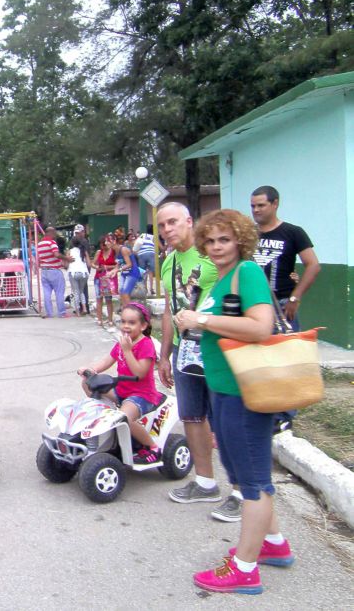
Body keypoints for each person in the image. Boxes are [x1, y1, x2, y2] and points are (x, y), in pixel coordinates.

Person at [175, 209, 290, 595]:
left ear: (239, 239)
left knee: (253, 483)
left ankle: (244, 569)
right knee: (240, 473)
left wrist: (201, 322)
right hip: (223, 389)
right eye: (210, 241)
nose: (216, 247)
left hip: (246, 393)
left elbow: (261, 326)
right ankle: (274, 545)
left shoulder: (248, 273)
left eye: (224, 239)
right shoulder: (222, 279)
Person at [155, 203, 233, 518]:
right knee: (191, 417)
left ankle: (242, 492)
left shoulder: (212, 256)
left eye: (173, 222)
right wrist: (164, 354)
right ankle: (204, 482)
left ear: (189, 222)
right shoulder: (168, 262)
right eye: (161, 226)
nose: (167, 230)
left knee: (226, 420)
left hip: (216, 350)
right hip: (184, 351)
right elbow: (167, 310)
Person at [250, 185, 321, 433]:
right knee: (259, 361)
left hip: (281, 306)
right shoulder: (249, 234)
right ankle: (265, 408)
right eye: (253, 206)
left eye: (261, 205)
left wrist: (295, 297)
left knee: (286, 361)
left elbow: (313, 265)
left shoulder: (293, 232)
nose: (256, 210)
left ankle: (285, 414)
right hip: (254, 308)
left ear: (275, 203)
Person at [77, 302, 162, 464]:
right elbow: (106, 361)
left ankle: (152, 447)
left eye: (131, 323)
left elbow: (140, 372)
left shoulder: (145, 345)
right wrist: (90, 370)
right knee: (88, 384)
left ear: (143, 326)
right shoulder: (123, 342)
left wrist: (128, 351)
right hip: (121, 392)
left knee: (122, 417)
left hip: (141, 396)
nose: (126, 326)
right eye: (123, 321)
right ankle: (104, 416)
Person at [37, 227, 71, 318]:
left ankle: (49, 313)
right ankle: (62, 313)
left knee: (47, 293)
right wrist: (67, 258)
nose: (55, 235)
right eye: (54, 233)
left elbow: (38, 258)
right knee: (59, 292)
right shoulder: (52, 243)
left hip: (44, 271)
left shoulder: (39, 244)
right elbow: (56, 254)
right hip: (54, 271)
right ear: (51, 232)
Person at [92, 234, 118, 326]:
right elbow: (93, 263)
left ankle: (110, 319)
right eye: (101, 245)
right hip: (98, 277)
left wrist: (107, 267)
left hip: (108, 278)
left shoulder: (113, 252)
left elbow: (117, 265)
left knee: (108, 299)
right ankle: (99, 319)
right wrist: (97, 267)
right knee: (99, 298)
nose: (102, 247)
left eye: (104, 244)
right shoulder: (99, 252)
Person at [67, 235, 92, 316]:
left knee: (76, 292)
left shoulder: (69, 251)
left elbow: (67, 264)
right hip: (84, 273)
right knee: (81, 292)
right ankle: (84, 308)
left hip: (73, 272)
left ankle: (77, 311)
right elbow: (89, 264)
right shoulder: (84, 251)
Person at [118, 233, 143, 307]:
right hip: (125, 272)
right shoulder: (124, 245)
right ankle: (125, 309)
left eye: (133, 236)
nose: (132, 237)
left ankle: (129, 310)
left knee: (125, 292)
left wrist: (117, 270)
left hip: (131, 271)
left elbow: (130, 262)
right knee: (122, 291)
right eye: (131, 236)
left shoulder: (124, 248)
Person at [134, 226, 157, 295]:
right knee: (150, 272)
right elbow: (156, 245)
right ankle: (151, 288)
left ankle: (145, 288)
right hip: (151, 253)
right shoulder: (154, 237)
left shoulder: (143, 235)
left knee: (143, 272)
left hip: (141, 254)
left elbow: (137, 243)